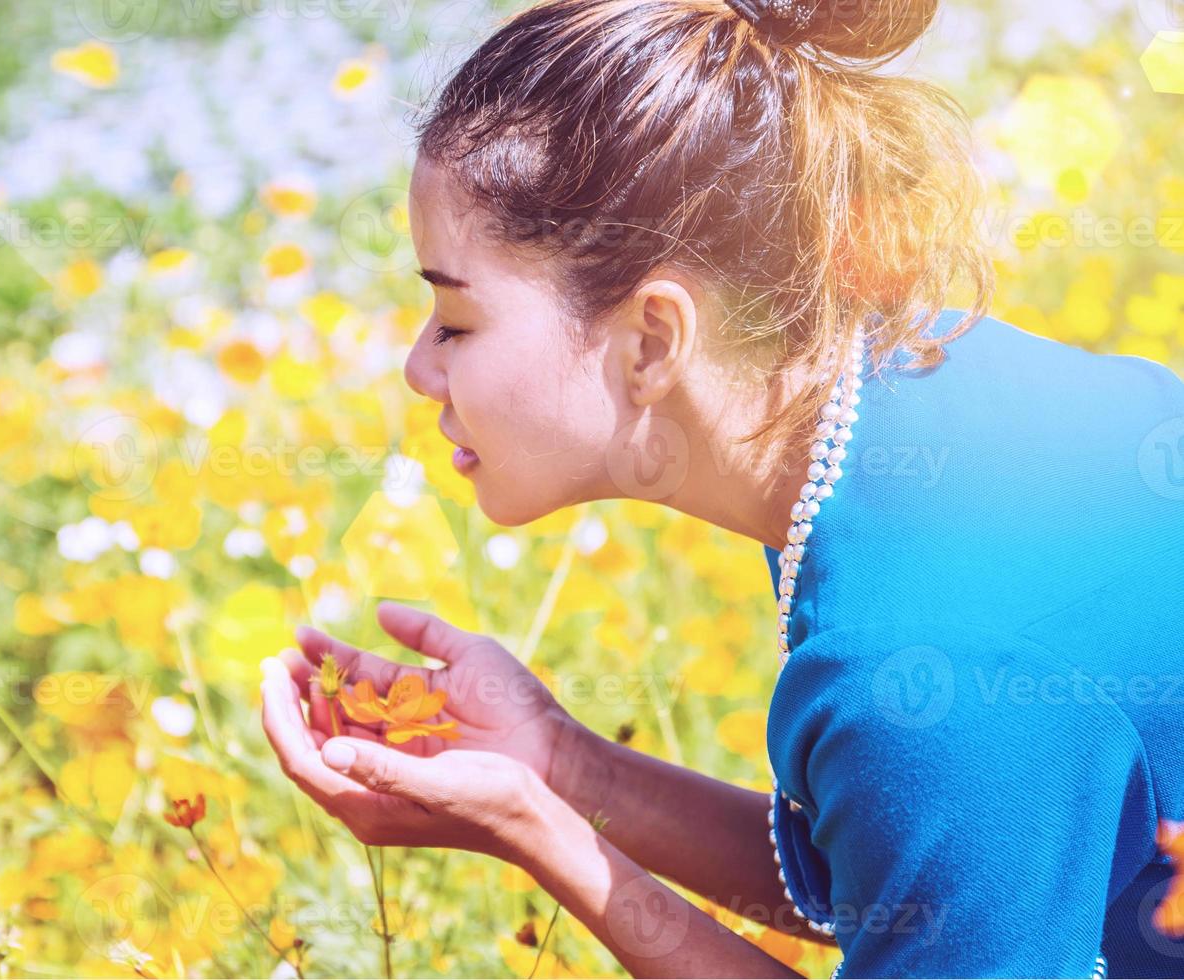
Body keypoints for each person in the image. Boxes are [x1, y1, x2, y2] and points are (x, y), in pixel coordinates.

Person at [259, 0, 1184, 975]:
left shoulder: (926, 652)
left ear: (653, 340)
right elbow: (910, 889)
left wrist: (545, 835)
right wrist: (560, 762)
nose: (416, 367)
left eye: (453, 319)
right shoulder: (898, 398)